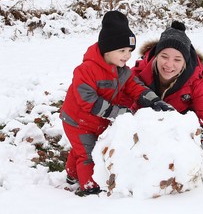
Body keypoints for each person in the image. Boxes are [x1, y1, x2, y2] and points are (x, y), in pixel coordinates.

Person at [60, 11, 173, 196]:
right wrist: (117, 112)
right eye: (122, 51)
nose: (127, 55)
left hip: (98, 121)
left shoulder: (122, 71)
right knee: (88, 155)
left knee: (82, 148)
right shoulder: (85, 70)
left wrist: (154, 101)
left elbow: (135, 87)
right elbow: (88, 101)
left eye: (129, 51)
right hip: (77, 121)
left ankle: (72, 175)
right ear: (107, 49)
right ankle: (90, 189)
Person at [122, 21, 203, 142]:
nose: (169, 65)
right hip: (145, 132)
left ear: (184, 62)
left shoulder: (196, 80)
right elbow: (121, 104)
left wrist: (198, 132)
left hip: (180, 135)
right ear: (156, 56)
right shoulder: (138, 74)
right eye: (164, 57)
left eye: (177, 59)